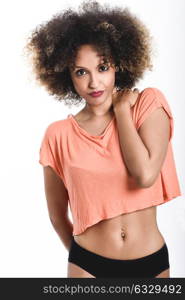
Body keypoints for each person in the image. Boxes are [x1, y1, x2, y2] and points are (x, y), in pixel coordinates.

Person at [25, 0, 181, 278]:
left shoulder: (146, 105)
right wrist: (81, 257)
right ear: (67, 77)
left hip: (151, 263)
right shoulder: (57, 134)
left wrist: (121, 110)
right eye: (81, 72)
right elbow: (57, 216)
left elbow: (144, 174)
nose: (94, 83)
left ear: (119, 65)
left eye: (102, 67)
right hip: (88, 267)